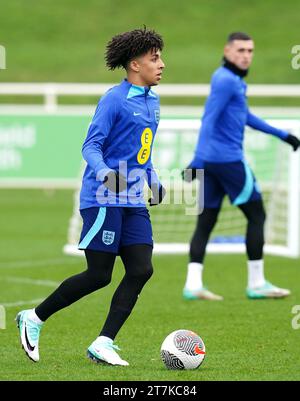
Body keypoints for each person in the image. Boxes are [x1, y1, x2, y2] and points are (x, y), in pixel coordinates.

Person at [16, 27, 166, 366]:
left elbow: (144, 152)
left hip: (132, 201)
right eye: (154, 58)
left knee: (142, 269)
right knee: (99, 274)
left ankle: (103, 342)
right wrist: (104, 173)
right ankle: (34, 318)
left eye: (160, 57)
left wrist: (153, 179)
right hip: (103, 198)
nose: (161, 64)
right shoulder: (114, 99)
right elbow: (91, 146)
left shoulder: (153, 102)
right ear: (134, 64)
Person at [182, 32, 300, 301]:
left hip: (212, 163)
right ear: (227, 51)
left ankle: (193, 284)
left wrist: (282, 135)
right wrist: (196, 160)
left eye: (250, 51)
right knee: (257, 216)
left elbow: (244, 116)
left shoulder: (231, 80)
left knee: (205, 222)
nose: (246, 55)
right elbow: (209, 119)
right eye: (241, 50)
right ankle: (257, 283)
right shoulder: (225, 80)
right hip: (229, 161)